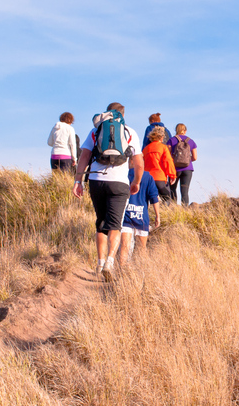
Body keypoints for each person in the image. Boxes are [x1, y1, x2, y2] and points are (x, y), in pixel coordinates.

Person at [73, 102, 144, 281]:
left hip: (96, 181)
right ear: (123, 114)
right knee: (115, 225)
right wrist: (136, 181)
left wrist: (77, 181)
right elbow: (139, 163)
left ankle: (99, 263)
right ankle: (110, 262)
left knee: (101, 223)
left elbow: (85, 156)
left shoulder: (96, 130)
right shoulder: (129, 132)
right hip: (119, 183)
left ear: (107, 113)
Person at [119, 166, 160, 264]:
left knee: (124, 247)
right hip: (142, 216)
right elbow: (154, 197)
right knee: (142, 249)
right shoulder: (148, 177)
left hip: (126, 215)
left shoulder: (123, 173)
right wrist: (157, 215)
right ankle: (140, 274)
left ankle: (121, 274)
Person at [143, 126, 176, 203]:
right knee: (167, 198)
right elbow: (168, 161)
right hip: (160, 177)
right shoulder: (163, 147)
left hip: (148, 178)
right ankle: (163, 214)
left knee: (150, 199)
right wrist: (172, 175)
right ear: (161, 137)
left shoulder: (146, 149)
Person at [166, 123, 198, 205]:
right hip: (188, 169)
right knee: (184, 191)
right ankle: (185, 209)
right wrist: (186, 160)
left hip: (174, 169)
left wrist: (176, 160)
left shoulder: (171, 140)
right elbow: (195, 157)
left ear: (176, 130)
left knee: (172, 189)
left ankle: (173, 209)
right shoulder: (191, 141)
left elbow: (167, 155)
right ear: (185, 131)